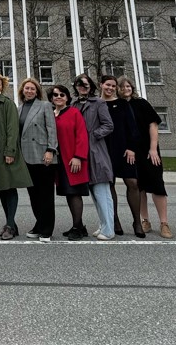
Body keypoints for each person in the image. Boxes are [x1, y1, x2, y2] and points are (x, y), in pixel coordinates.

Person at [118, 76, 172, 239]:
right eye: (122, 87)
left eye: (128, 86)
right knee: (138, 187)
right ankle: (145, 220)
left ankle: (164, 223)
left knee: (157, 186)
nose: (126, 89)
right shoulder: (119, 106)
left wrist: (153, 149)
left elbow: (153, 124)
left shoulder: (141, 103)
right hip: (130, 153)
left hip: (148, 151)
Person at [0, 74, 32, 240]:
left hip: (5, 152)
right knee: (2, 188)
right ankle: (10, 223)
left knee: (9, 187)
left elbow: (13, 130)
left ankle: (10, 225)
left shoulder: (7, 103)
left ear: (2, 86)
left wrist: (10, 152)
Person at [72, 74, 115, 241]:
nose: (83, 87)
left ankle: (109, 228)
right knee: (94, 193)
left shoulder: (99, 103)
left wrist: (92, 135)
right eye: (79, 84)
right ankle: (103, 225)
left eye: (85, 84)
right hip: (81, 152)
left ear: (91, 86)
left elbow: (108, 125)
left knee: (102, 191)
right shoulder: (74, 104)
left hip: (96, 152)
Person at [100, 74, 144, 238]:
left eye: (113, 86)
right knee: (109, 184)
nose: (110, 88)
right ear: (101, 85)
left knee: (132, 183)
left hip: (125, 149)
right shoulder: (97, 104)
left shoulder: (123, 104)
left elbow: (132, 127)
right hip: (105, 150)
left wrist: (132, 147)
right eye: (107, 85)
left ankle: (137, 222)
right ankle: (115, 220)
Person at [48, 85, 90, 241]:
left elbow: (82, 135)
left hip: (72, 160)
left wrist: (78, 156)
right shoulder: (52, 114)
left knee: (75, 194)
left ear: (67, 97)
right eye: (55, 95)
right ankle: (79, 226)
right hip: (59, 162)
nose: (58, 97)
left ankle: (78, 227)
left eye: (62, 94)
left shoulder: (74, 112)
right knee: (68, 193)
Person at [18, 77, 56, 242]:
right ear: (22, 90)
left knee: (46, 194)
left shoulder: (45, 105)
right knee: (33, 194)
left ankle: (47, 229)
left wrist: (50, 149)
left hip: (43, 155)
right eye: (27, 88)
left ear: (37, 91)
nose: (29, 91)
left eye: (33, 89)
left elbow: (51, 128)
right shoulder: (19, 109)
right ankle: (39, 224)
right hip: (26, 157)